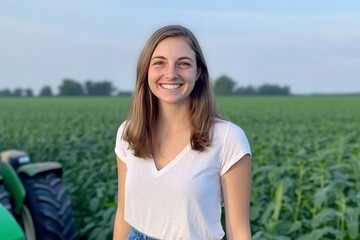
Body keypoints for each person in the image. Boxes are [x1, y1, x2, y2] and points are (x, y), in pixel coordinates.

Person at [113, 25, 252, 240]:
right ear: (146, 71)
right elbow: (124, 213)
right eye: (159, 63)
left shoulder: (228, 138)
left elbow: (239, 231)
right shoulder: (128, 133)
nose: (171, 74)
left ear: (199, 72)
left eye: (183, 64)